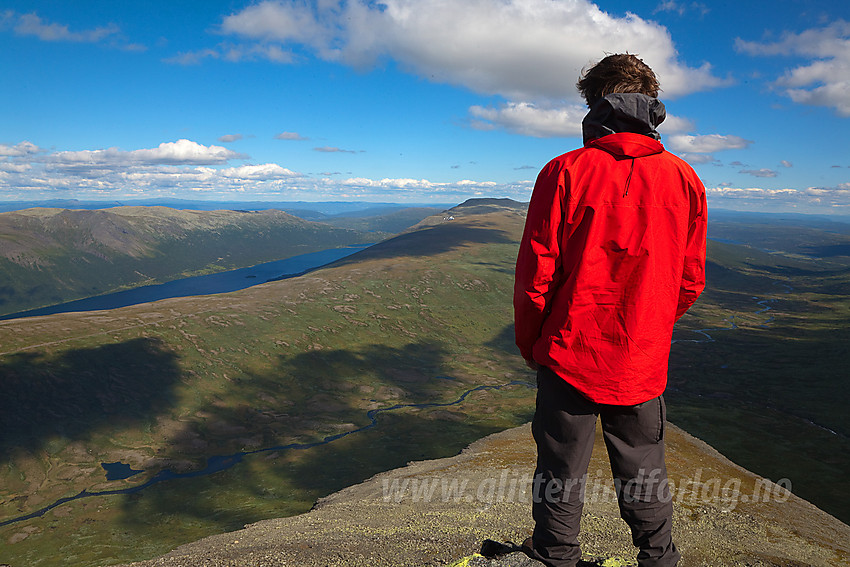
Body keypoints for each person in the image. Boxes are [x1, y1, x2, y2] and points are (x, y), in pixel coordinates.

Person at [513, 53, 707, 567]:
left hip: (567, 351)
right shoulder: (685, 179)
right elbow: (690, 280)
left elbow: (537, 275)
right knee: (644, 466)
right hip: (640, 357)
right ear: (651, 102)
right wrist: (649, 322)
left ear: (593, 102)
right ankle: (659, 559)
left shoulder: (563, 172)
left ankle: (556, 555)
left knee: (560, 467)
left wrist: (532, 343)